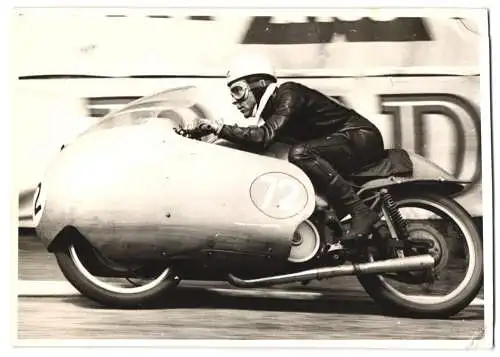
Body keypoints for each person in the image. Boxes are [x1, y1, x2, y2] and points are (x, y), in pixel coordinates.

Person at [197, 54, 385, 243]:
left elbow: (263, 136)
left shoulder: (289, 94)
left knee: (301, 153)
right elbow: (256, 136)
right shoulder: (274, 111)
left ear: (259, 85)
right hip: (343, 142)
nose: (234, 100)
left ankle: (360, 211)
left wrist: (220, 128)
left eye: (238, 91)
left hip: (361, 136)